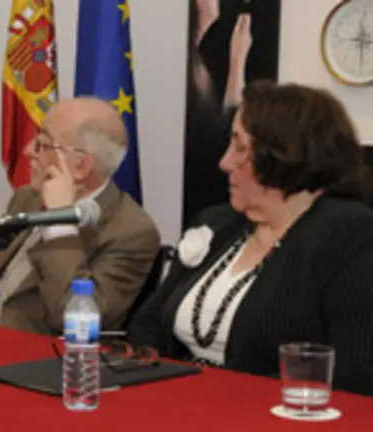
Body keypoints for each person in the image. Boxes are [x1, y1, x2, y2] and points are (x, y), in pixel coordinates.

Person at [129, 81, 373, 395]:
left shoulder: (351, 235)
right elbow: (146, 326)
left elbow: (355, 372)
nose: (224, 162)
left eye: (240, 147)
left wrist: (222, 397)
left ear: (284, 154)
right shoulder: (217, 224)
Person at [0, 97, 160, 335]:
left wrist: (59, 223)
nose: (27, 151)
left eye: (43, 144)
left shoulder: (131, 232)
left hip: (20, 355)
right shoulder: (28, 199)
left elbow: (73, 318)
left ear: (81, 166)